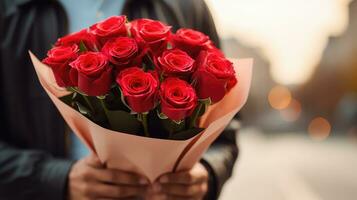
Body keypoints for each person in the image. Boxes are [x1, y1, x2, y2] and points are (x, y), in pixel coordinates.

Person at [0, 0, 239, 199]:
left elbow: (225, 133)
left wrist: (206, 173)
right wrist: (55, 179)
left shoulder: (186, 5)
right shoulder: (9, 9)